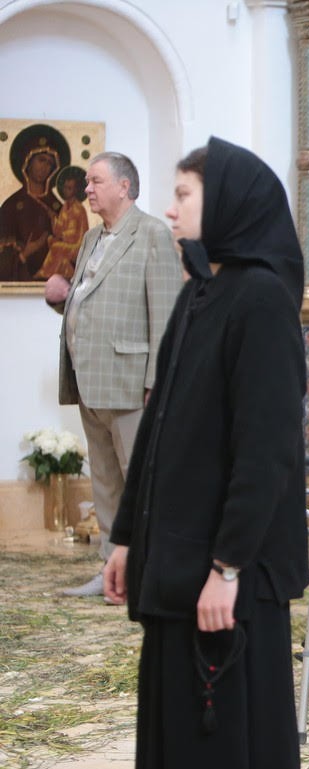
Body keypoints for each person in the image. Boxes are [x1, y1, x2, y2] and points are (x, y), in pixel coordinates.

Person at [102, 137, 307, 769]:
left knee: (224, 755)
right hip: (179, 566)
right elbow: (159, 431)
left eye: (184, 195)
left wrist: (228, 568)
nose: (170, 209)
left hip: (226, 580)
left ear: (226, 205)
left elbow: (264, 453)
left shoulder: (262, 301)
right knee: (180, 746)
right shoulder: (203, 294)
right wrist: (127, 537)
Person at [45, 151, 180, 598]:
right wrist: (62, 301)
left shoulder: (153, 235)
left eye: (95, 181)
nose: (86, 189)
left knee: (142, 484)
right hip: (90, 381)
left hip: (131, 385)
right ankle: (112, 571)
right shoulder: (90, 238)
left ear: (124, 186)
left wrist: (156, 383)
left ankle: (152, 575)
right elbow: (92, 302)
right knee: (104, 482)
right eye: (86, 181)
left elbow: (165, 316)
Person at [0, 124, 67, 281]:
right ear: (28, 162)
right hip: (21, 284)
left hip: (55, 283)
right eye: (41, 160)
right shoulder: (11, 206)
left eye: (50, 163)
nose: (45, 167)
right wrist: (26, 253)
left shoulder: (58, 207)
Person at [39, 165, 90, 279]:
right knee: (51, 240)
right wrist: (53, 218)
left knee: (56, 246)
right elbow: (58, 230)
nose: (66, 191)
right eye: (65, 187)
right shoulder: (65, 207)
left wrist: (61, 236)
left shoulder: (78, 209)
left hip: (78, 246)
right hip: (67, 243)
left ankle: (44, 273)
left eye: (70, 188)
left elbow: (76, 234)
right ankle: (64, 272)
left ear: (75, 190)